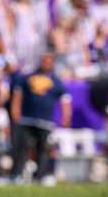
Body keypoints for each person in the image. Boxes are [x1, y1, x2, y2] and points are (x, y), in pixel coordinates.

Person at [10, 52, 72, 184]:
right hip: (27, 118)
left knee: (43, 149)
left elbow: (65, 100)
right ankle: (17, 174)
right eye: (44, 60)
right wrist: (15, 110)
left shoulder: (56, 81)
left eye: (49, 61)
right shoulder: (28, 77)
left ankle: (40, 175)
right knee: (23, 147)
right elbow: (18, 94)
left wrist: (66, 116)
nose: (46, 63)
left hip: (45, 121)